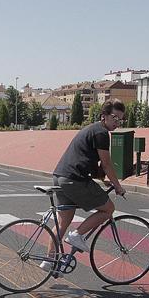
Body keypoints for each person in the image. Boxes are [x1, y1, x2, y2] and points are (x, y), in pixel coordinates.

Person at [50, 99, 127, 255]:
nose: (118, 122)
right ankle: (77, 235)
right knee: (108, 209)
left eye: (121, 119)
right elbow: (106, 163)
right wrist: (117, 186)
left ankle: (49, 260)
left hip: (60, 176)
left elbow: (87, 160)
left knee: (63, 220)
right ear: (104, 115)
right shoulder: (102, 133)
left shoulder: (91, 129)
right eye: (115, 117)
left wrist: (103, 180)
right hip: (75, 179)